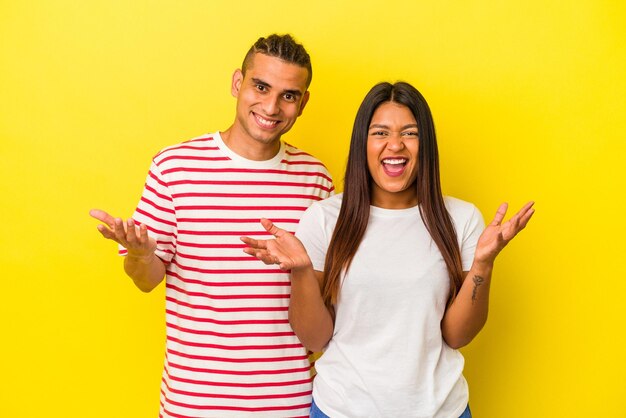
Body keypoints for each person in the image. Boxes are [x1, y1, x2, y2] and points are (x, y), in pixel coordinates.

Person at [241, 81, 535, 418]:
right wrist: (302, 271)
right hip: (341, 410)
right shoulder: (324, 219)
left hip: (440, 410)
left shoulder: (461, 218)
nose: (395, 145)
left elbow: (457, 335)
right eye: (380, 133)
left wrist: (483, 265)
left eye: (409, 133)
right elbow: (315, 338)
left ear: (425, 144)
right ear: (362, 144)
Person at [90, 34, 334, 417]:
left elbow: (323, 298)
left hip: (290, 403)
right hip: (194, 402)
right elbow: (146, 279)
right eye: (261, 86)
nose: (271, 106)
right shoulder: (175, 168)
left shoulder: (315, 178)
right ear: (238, 83)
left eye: (288, 95)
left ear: (303, 103)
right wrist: (140, 254)